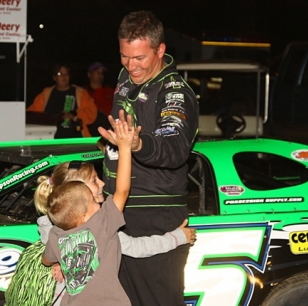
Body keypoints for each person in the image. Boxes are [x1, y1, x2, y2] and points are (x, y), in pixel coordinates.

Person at [98, 10, 200, 306]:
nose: (131, 66)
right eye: (124, 57)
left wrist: (137, 144)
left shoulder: (174, 92)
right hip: (117, 209)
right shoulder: (125, 79)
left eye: (139, 58)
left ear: (160, 50)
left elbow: (175, 146)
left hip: (154, 216)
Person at [42, 113, 134, 305]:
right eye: (93, 182)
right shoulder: (100, 224)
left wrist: (61, 261)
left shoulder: (56, 232)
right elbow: (122, 190)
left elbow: (46, 260)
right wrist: (125, 148)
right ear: (83, 216)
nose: (101, 184)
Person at [27, 63, 97, 138]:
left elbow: (92, 113)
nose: (64, 76)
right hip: (51, 140)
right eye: (60, 73)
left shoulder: (80, 93)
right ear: (54, 77)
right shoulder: (46, 94)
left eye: (66, 73)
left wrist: (74, 115)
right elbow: (32, 114)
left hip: (76, 140)